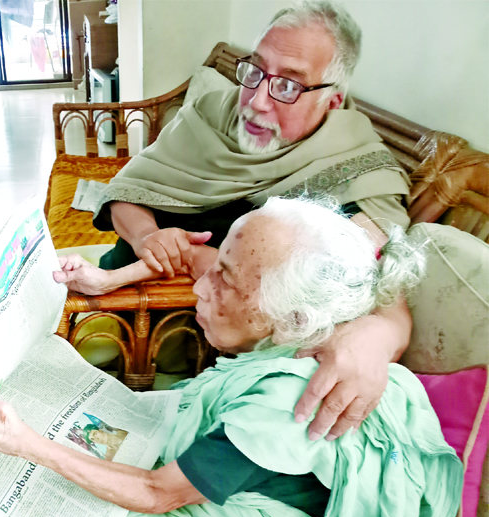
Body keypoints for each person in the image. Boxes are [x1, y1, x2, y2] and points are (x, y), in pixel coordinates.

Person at [0, 196, 461, 517]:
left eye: (225, 280)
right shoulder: (315, 312)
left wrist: (26, 444)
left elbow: (159, 494)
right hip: (229, 477)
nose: (203, 286)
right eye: (220, 263)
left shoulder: (289, 403)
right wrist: (109, 276)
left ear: (288, 317)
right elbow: (195, 257)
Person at [89, 0, 414, 441]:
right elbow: (126, 190)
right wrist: (147, 235)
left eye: (287, 86)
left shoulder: (360, 174)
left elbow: (384, 294)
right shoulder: (211, 112)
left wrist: (378, 338)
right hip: (109, 296)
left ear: (332, 99)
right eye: (256, 72)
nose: (257, 101)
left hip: (178, 348)